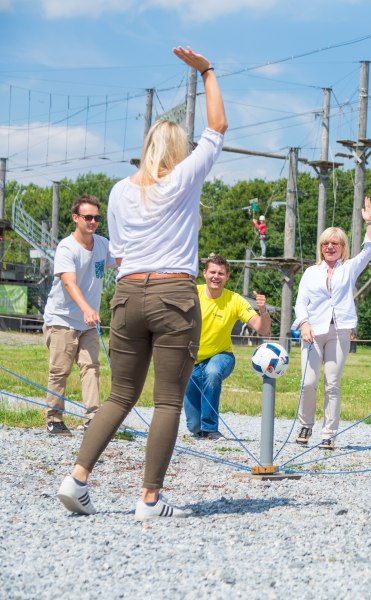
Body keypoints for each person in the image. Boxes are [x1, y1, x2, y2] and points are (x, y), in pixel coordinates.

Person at [57, 45, 227, 520]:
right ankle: (150, 499)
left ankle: (76, 478)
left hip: (128, 293)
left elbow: (123, 253)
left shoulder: (116, 191)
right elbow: (218, 128)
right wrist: (207, 71)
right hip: (174, 293)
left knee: (119, 395)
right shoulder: (184, 180)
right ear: (177, 152)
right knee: (169, 398)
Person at [291, 197, 371, 451]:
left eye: (335, 243)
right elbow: (300, 303)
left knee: (332, 384)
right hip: (312, 333)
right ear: (321, 247)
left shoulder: (349, 268)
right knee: (308, 382)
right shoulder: (310, 272)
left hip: (340, 331)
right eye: (326, 243)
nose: (330, 247)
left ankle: (329, 433)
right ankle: (305, 424)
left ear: (342, 247)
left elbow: (369, 249)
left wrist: (369, 222)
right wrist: (303, 324)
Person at [42, 194, 116, 435]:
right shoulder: (67, 247)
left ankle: (93, 418)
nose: (93, 221)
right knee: (60, 370)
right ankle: (54, 417)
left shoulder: (103, 244)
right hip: (62, 319)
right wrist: (86, 309)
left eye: (96, 217)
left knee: (91, 367)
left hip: (88, 323)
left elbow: (124, 261)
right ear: (76, 218)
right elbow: (69, 283)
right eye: (88, 217)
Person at [184, 255, 270, 440]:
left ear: (227, 276)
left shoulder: (235, 300)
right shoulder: (192, 293)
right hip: (191, 360)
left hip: (221, 355)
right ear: (204, 273)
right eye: (212, 272)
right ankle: (201, 428)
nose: (216, 276)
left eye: (221, 273)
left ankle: (211, 429)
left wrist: (262, 310)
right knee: (193, 426)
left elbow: (263, 328)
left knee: (213, 372)